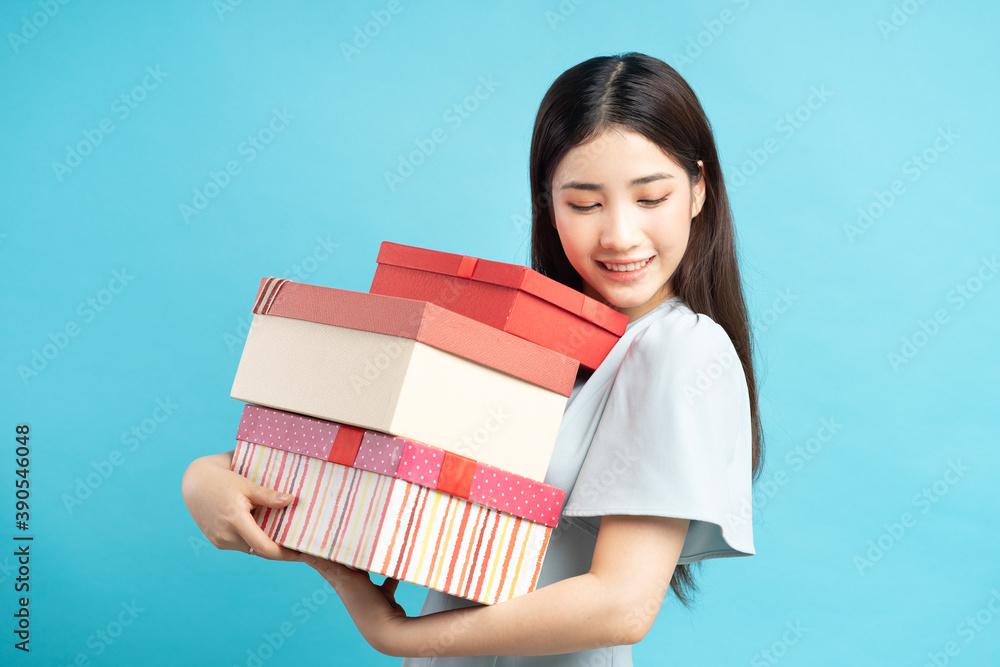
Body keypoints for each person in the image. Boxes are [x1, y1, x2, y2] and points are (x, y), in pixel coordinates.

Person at [182, 51, 764, 665]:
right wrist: (209, 473)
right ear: (548, 203)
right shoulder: (537, 339)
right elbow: (372, 450)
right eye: (585, 204)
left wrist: (394, 633)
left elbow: (620, 603)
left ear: (699, 190)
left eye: (651, 198)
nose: (619, 235)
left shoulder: (683, 349)